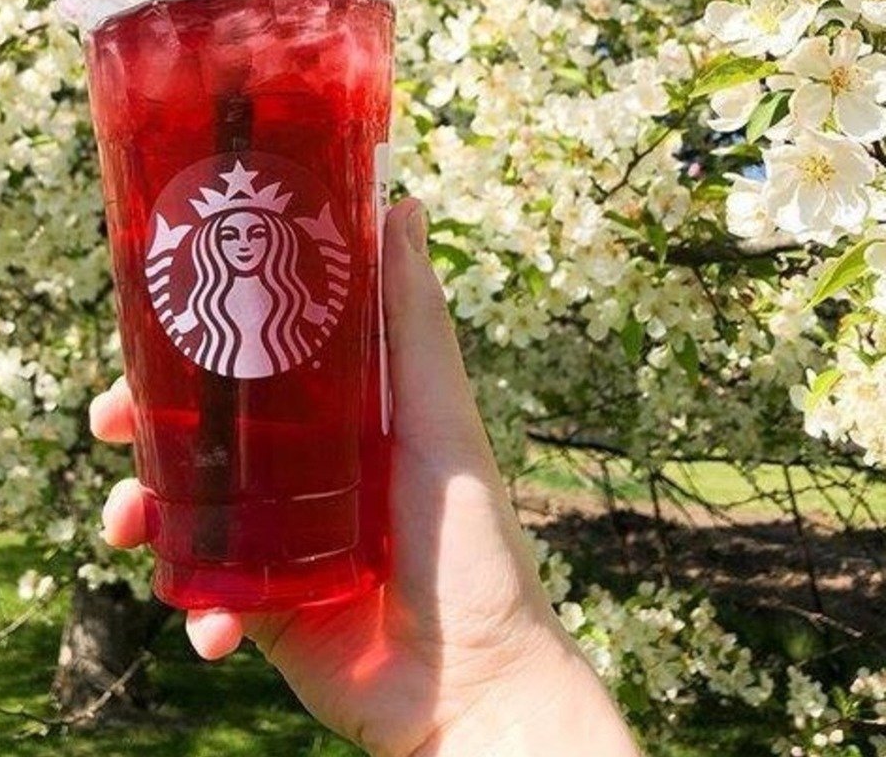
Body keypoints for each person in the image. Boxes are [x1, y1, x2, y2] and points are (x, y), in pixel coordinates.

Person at [90, 198, 644, 756]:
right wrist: (490, 702)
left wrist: (494, 681)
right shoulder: (201, 308)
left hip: (370, 566)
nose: (243, 246)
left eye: (257, 233)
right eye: (229, 235)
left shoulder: (295, 306)